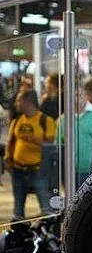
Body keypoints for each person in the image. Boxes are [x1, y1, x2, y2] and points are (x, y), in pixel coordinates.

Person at [4, 90, 56, 219]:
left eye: (19, 100)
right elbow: (11, 141)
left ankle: (47, 227)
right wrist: (7, 159)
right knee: (18, 209)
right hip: (18, 169)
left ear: (28, 102)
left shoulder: (46, 120)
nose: (16, 104)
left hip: (39, 170)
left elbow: (51, 145)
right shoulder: (17, 121)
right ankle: (19, 228)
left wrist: (33, 139)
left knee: (46, 206)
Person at [57, 79, 92, 187]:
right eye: (71, 95)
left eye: (78, 95)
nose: (75, 99)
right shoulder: (63, 119)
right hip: (69, 171)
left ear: (86, 95)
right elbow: (58, 145)